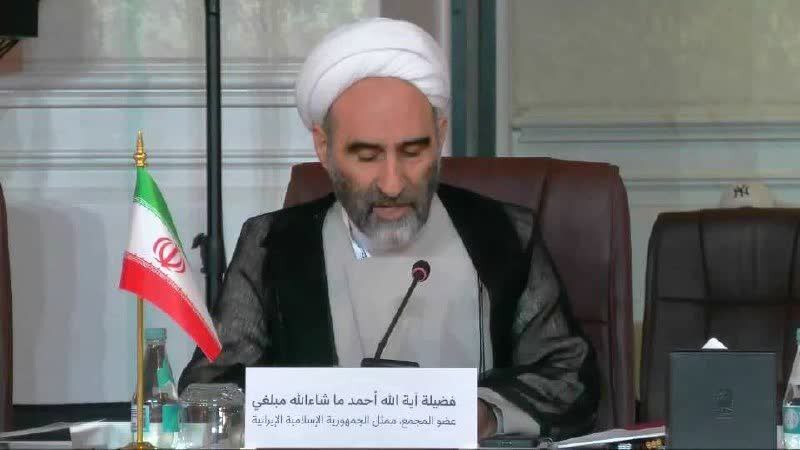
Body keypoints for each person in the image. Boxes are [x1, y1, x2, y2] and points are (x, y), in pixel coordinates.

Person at [179, 17, 599, 440]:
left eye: (413, 152)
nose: (393, 184)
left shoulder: (504, 233)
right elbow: (208, 388)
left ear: (440, 136)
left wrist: (486, 414)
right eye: (367, 156)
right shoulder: (273, 244)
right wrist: (319, 412)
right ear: (324, 147)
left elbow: (569, 377)